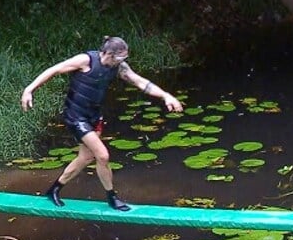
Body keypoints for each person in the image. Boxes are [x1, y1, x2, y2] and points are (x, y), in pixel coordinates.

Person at [20, 36, 183, 211]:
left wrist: (166, 95)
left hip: (93, 116)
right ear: (108, 54)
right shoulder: (86, 60)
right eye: (120, 58)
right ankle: (112, 197)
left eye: (124, 58)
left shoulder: (119, 67)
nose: (122, 62)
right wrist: (29, 89)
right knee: (103, 155)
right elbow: (54, 69)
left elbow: (141, 82)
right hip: (75, 116)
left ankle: (54, 190)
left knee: (86, 157)